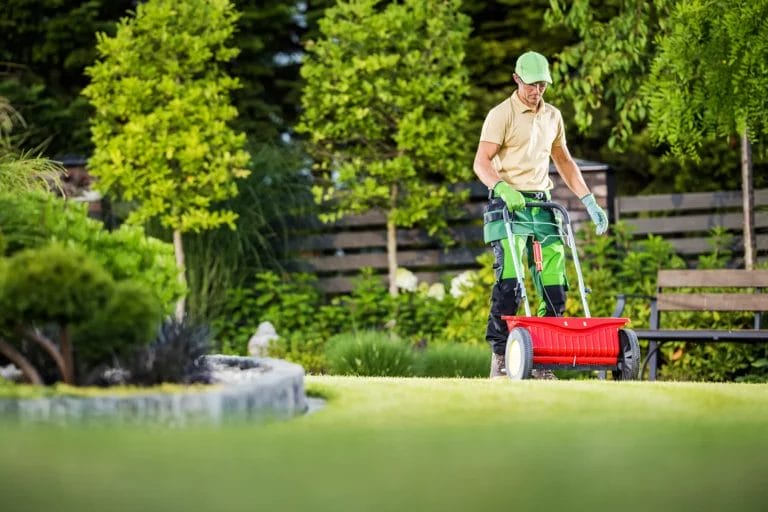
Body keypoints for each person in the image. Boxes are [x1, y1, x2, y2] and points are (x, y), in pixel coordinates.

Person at [472, 50, 608, 379]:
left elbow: (563, 161)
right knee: (510, 281)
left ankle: (542, 359)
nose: (537, 91)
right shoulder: (500, 114)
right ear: (517, 79)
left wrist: (588, 199)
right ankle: (502, 355)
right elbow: (481, 162)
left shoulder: (553, 116)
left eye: (543, 85)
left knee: (554, 283)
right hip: (508, 206)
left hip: (542, 205)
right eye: (532, 85)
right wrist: (502, 188)